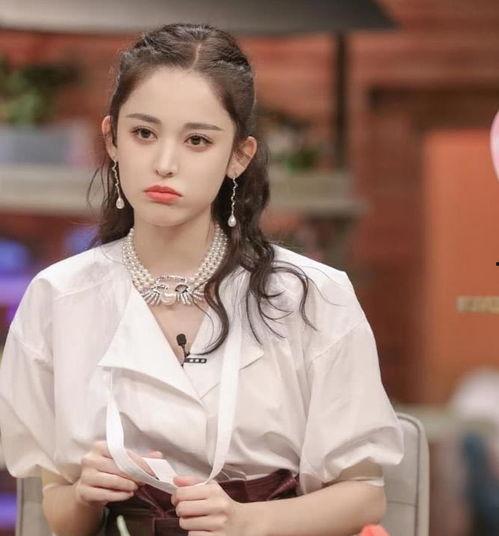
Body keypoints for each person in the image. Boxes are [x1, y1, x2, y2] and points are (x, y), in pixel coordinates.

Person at [0, 22, 404, 536]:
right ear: (112, 139)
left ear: (239, 155)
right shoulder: (57, 297)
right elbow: (56, 507)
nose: (165, 164)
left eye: (197, 140)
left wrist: (245, 521)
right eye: (144, 134)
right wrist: (82, 494)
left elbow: (364, 495)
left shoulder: (312, 296)